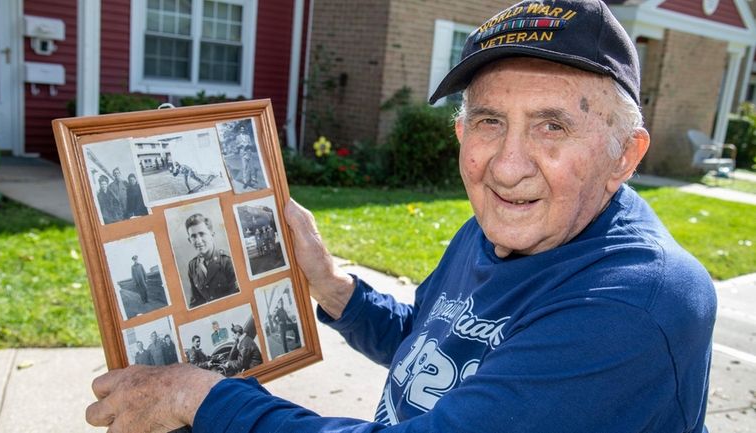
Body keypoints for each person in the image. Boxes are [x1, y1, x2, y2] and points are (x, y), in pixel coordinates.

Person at [86, 1, 717, 432]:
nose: (505, 166)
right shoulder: (502, 226)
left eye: (553, 125)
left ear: (624, 155)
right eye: (489, 122)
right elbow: (436, 344)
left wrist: (200, 398)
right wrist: (334, 290)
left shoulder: (636, 303)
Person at [185, 213, 239, 308]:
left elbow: (238, 297)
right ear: (189, 240)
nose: (198, 240)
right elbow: (196, 302)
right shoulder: (192, 266)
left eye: (202, 234)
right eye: (193, 236)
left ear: (212, 235)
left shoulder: (228, 261)